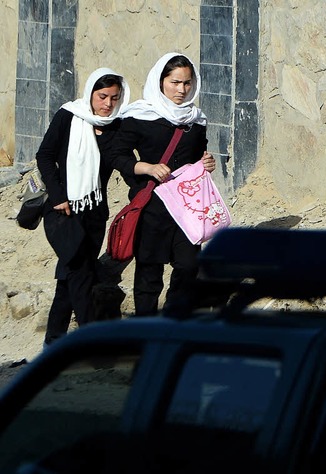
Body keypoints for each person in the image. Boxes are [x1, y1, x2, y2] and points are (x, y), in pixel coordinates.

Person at [108, 52, 216, 317]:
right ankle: (145, 329)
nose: (181, 90)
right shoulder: (139, 116)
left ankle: (172, 319)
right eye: (175, 82)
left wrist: (206, 161)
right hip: (152, 205)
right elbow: (116, 155)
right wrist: (147, 168)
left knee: (189, 265)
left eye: (187, 83)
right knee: (149, 270)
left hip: (186, 207)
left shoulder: (195, 120)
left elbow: (196, 157)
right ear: (160, 81)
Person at [36, 68, 130, 346]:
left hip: (95, 212)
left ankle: (54, 342)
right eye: (102, 96)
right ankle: (91, 342)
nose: (108, 104)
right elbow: (45, 156)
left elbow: (123, 162)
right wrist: (57, 196)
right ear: (90, 93)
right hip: (64, 211)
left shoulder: (116, 126)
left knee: (70, 275)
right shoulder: (69, 115)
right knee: (81, 274)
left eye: (114, 98)